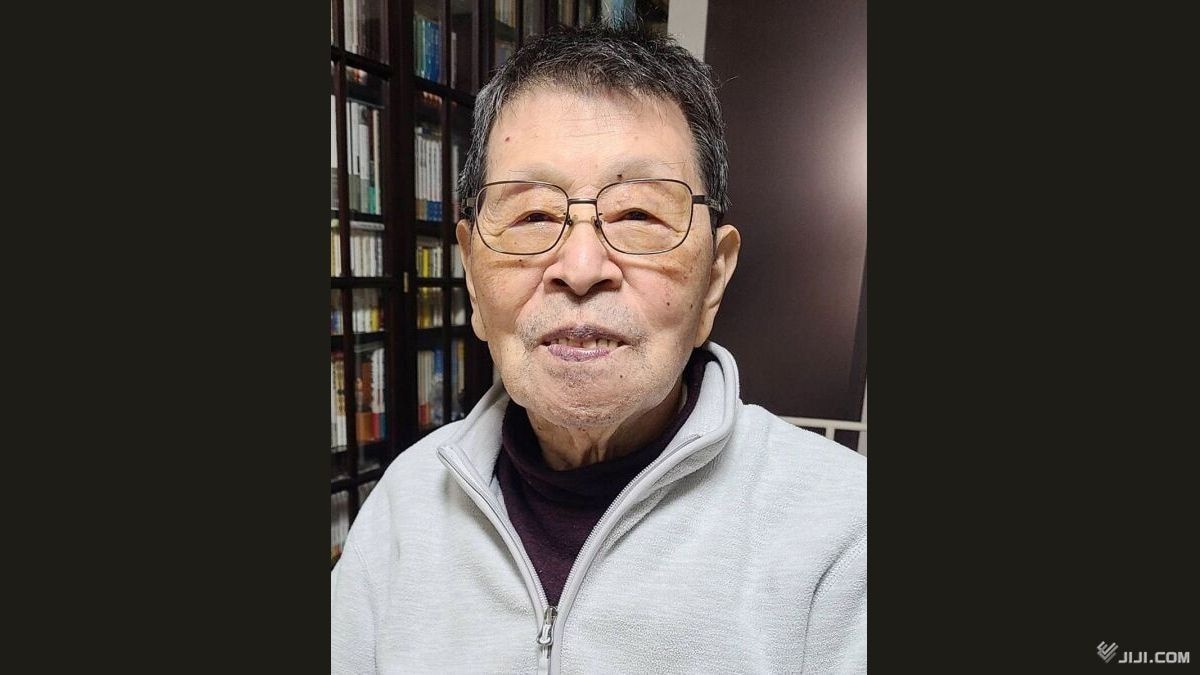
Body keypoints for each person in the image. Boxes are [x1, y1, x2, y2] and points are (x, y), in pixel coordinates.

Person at [332, 22, 866, 673]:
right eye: (532, 216)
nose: (581, 268)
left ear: (714, 279)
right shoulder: (402, 508)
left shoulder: (846, 532)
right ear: (471, 276)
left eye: (639, 215)